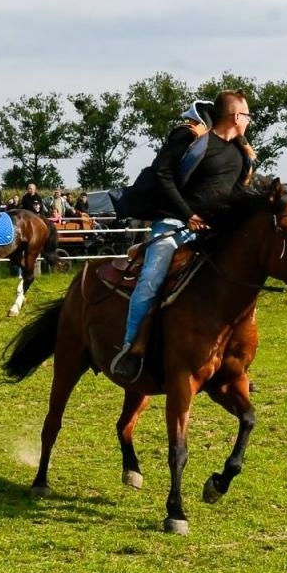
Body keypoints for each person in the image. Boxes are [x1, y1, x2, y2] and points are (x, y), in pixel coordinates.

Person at [108, 90, 255, 382]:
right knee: (151, 279)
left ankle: (232, 358)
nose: (250, 121)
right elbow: (163, 174)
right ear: (236, 116)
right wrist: (188, 215)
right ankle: (130, 349)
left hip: (213, 233)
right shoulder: (195, 140)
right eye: (248, 115)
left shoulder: (240, 155)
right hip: (174, 224)